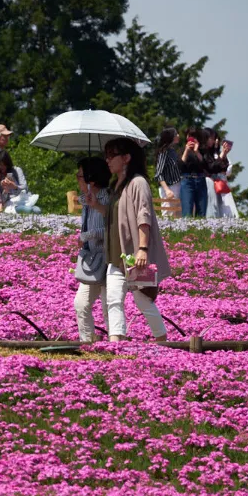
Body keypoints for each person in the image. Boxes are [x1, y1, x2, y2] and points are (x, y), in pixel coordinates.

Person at [96, 137, 171, 342]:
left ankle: (162, 340)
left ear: (127, 157)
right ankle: (116, 341)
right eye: (106, 155)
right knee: (113, 299)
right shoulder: (116, 184)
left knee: (143, 300)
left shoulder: (138, 183)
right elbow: (114, 216)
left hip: (135, 256)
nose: (108, 160)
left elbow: (143, 216)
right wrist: (96, 205)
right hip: (115, 254)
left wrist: (143, 249)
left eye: (112, 155)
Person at [73, 156, 111, 342]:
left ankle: (116, 346)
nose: (77, 179)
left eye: (80, 176)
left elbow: (111, 229)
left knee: (108, 307)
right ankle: (87, 343)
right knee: (81, 304)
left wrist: (86, 236)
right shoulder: (85, 201)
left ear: (91, 180)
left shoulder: (108, 198)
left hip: (109, 259)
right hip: (92, 259)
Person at [201, 129, 233, 218]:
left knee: (218, 206)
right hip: (207, 181)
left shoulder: (212, 152)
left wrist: (224, 154)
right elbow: (212, 167)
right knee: (212, 205)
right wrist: (222, 154)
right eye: (211, 138)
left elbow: (223, 167)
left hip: (216, 182)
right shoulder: (203, 151)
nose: (214, 141)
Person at [178, 128, 208, 217]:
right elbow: (180, 166)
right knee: (187, 210)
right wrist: (187, 151)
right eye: (190, 136)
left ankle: (201, 229)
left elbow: (205, 166)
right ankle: (187, 230)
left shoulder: (202, 150)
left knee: (201, 212)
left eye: (194, 137)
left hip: (201, 180)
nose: (192, 139)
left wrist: (196, 151)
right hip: (187, 181)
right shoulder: (182, 150)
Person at [153, 128, 181, 217]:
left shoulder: (173, 151)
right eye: (176, 134)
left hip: (177, 185)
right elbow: (159, 173)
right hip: (169, 188)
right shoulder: (164, 152)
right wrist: (167, 190)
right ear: (171, 137)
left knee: (178, 216)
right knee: (168, 215)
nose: (178, 135)